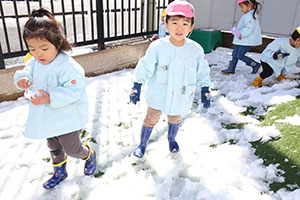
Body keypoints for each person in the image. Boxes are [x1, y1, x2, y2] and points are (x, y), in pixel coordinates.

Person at [14, 8, 96, 189]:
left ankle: (88, 154)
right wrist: (22, 80)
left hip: (68, 117)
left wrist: (50, 97)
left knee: (71, 148)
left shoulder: (67, 66)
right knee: (53, 146)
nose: (38, 54)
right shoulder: (34, 62)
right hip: (47, 117)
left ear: (58, 43)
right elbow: (25, 71)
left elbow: (74, 90)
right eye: (32, 49)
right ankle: (60, 171)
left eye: (44, 48)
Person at [129, 1, 211, 158]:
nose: (179, 28)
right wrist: (137, 84)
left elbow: (203, 71)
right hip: (159, 94)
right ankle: (142, 143)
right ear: (165, 24)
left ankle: (171, 139)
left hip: (181, 94)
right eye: (174, 22)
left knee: (175, 118)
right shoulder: (158, 47)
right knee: (150, 119)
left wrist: (205, 88)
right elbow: (145, 66)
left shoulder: (195, 50)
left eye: (185, 23)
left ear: (191, 27)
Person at [221, 0, 262, 75]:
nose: (241, 9)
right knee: (235, 53)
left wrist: (240, 33)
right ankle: (231, 68)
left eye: (242, 7)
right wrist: (237, 31)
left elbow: (249, 29)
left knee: (239, 55)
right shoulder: (248, 15)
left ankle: (254, 64)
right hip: (242, 40)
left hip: (247, 41)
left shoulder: (250, 16)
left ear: (249, 5)